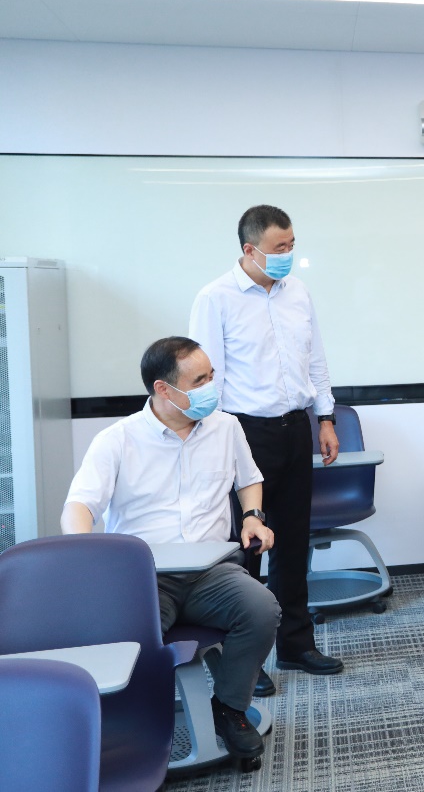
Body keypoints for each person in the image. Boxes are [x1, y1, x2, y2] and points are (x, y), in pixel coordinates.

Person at [61, 337, 281, 760]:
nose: (211, 387)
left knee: (261, 609)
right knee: (132, 641)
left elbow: (249, 478)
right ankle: (132, 728)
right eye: (199, 381)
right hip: (145, 578)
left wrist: (253, 516)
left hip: (213, 571)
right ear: (163, 389)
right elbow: (79, 506)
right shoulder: (117, 439)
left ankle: (229, 708)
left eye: (211, 376)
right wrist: (86, 557)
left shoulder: (226, 427)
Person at [190, 204, 343, 693]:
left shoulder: (298, 292)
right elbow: (205, 379)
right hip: (243, 432)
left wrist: (325, 418)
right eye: (280, 247)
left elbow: (316, 359)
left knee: (293, 542)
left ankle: (295, 644)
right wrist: (214, 443)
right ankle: (245, 660)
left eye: (292, 245)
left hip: (295, 427)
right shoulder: (215, 298)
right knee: (246, 548)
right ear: (250, 249)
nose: (288, 255)